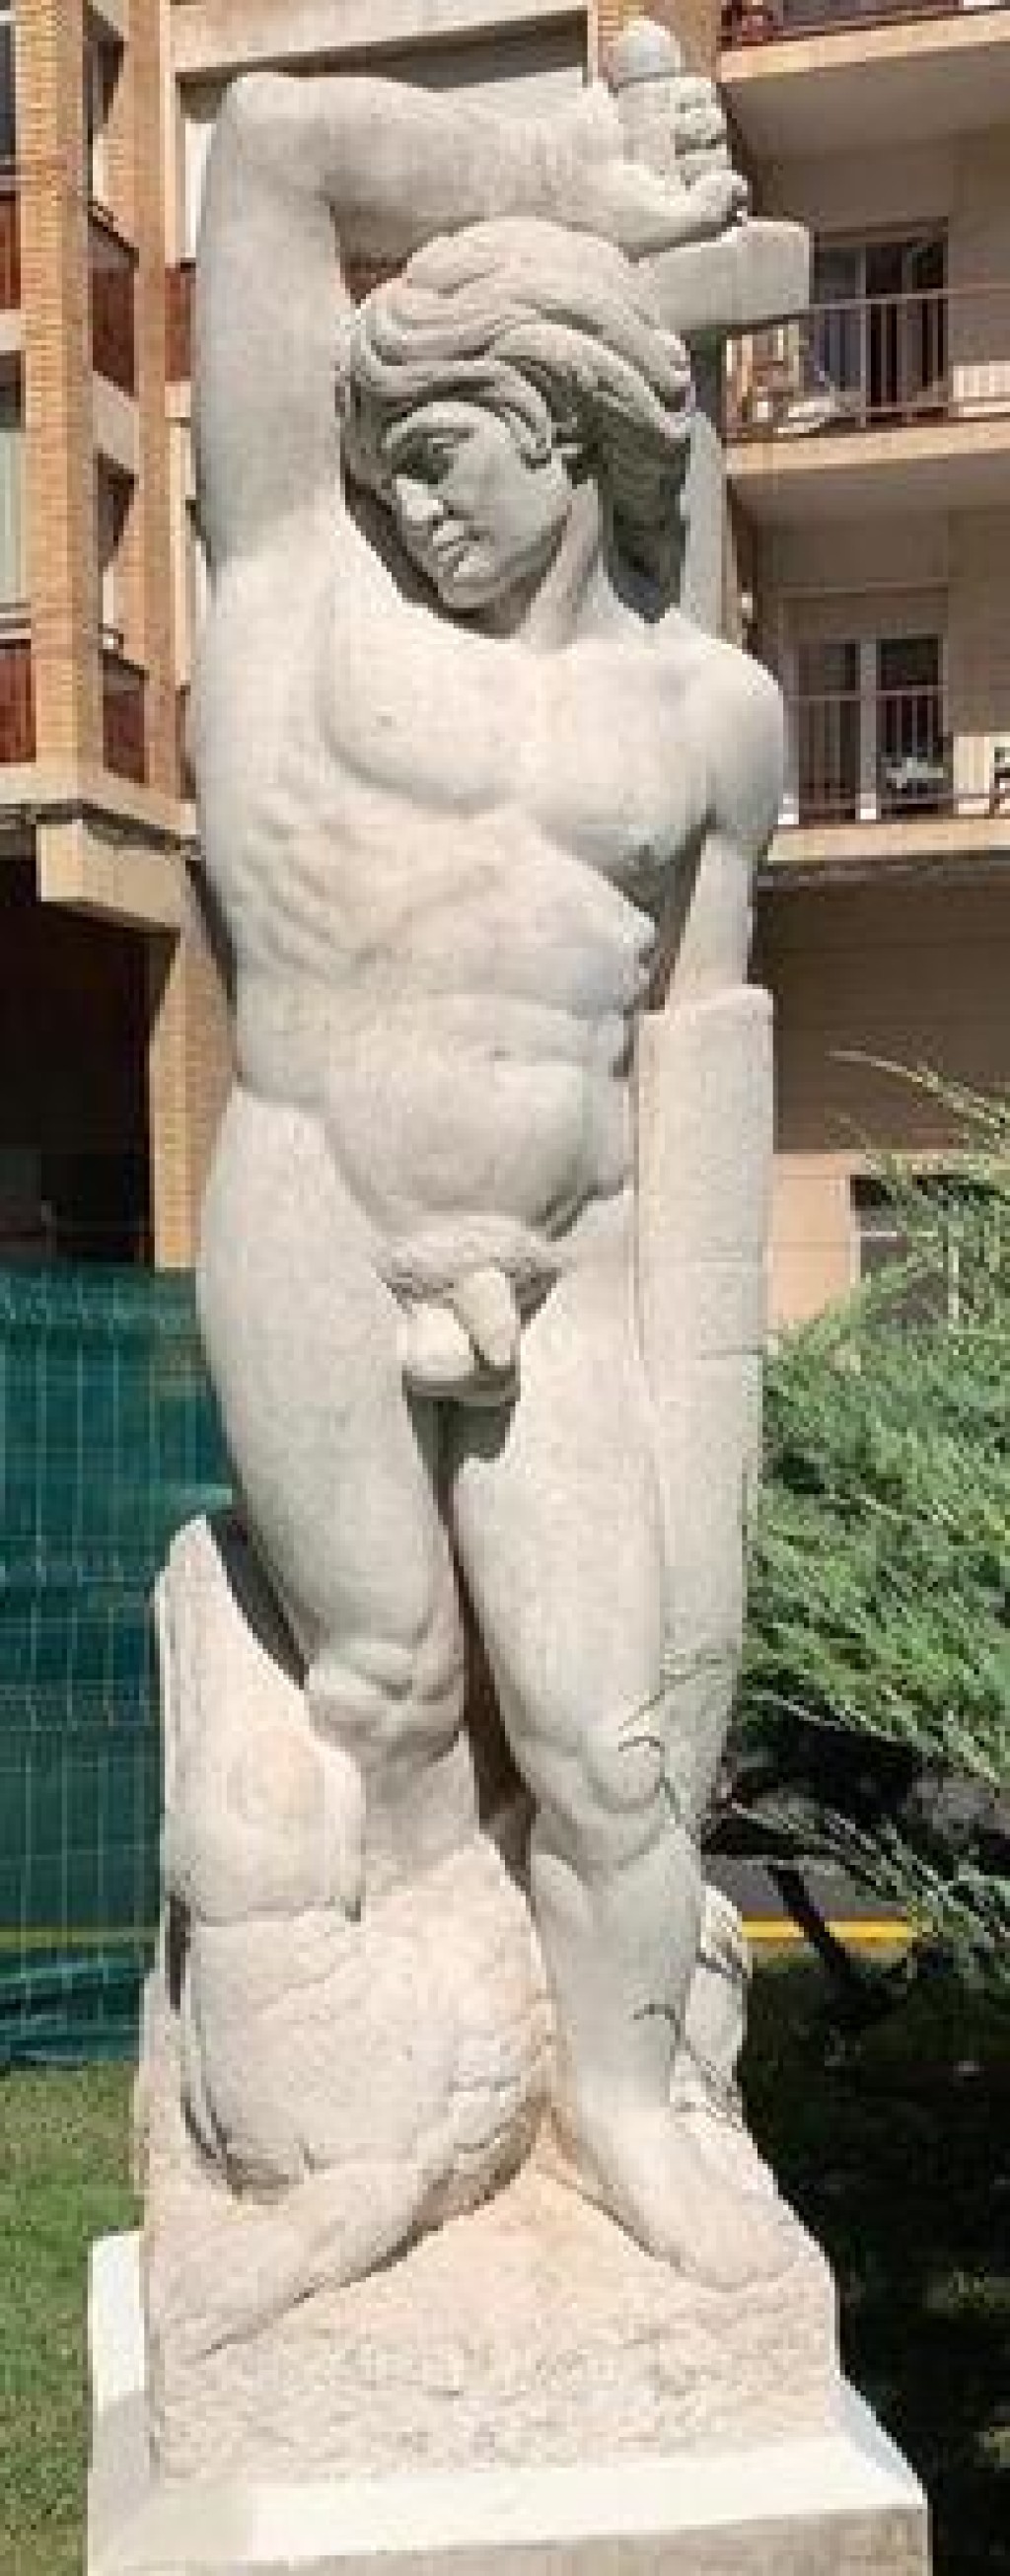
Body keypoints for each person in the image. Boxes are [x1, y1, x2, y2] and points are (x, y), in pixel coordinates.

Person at [191, 65, 790, 2288]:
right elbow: (271, 149)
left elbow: (698, 1075)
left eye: (443, 454)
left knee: (613, 1748)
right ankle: (418, 2116)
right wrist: (574, 170)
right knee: (387, 1693)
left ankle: (618, 2108)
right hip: (316, 1216)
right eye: (385, 468)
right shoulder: (293, 598)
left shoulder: (707, 723)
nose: (410, 502)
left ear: (563, 427)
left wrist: (699, 1412)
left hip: (572, 1269)